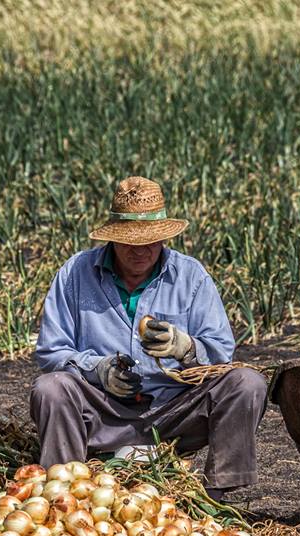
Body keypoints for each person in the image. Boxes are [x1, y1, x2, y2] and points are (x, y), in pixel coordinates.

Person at [31, 176, 267, 500]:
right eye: (130, 241)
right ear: (113, 237)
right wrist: (97, 369)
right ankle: (65, 494)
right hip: (104, 412)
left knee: (246, 383)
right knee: (51, 389)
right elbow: (51, 351)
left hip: (174, 412)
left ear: (164, 237)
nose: (140, 250)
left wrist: (187, 349)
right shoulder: (75, 274)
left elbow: (220, 351)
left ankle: (218, 495)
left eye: (150, 241)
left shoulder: (191, 276)